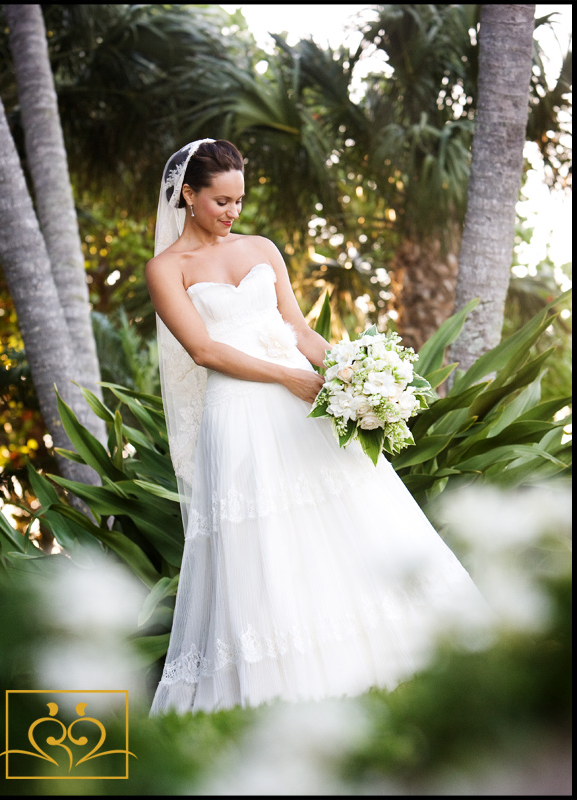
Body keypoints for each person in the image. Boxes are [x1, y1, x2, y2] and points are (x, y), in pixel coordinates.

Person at [145, 138, 493, 716]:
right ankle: (278, 682)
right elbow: (204, 350)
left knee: (345, 515)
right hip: (238, 413)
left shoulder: (261, 248)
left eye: (239, 199)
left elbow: (300, 330)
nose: (232, 212)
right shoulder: (166, 269)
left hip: (300, 401)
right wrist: (287, 378)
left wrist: (351, 376)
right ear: (188, 194)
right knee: (261, 539)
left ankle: (387, 658)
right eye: (221, 200)